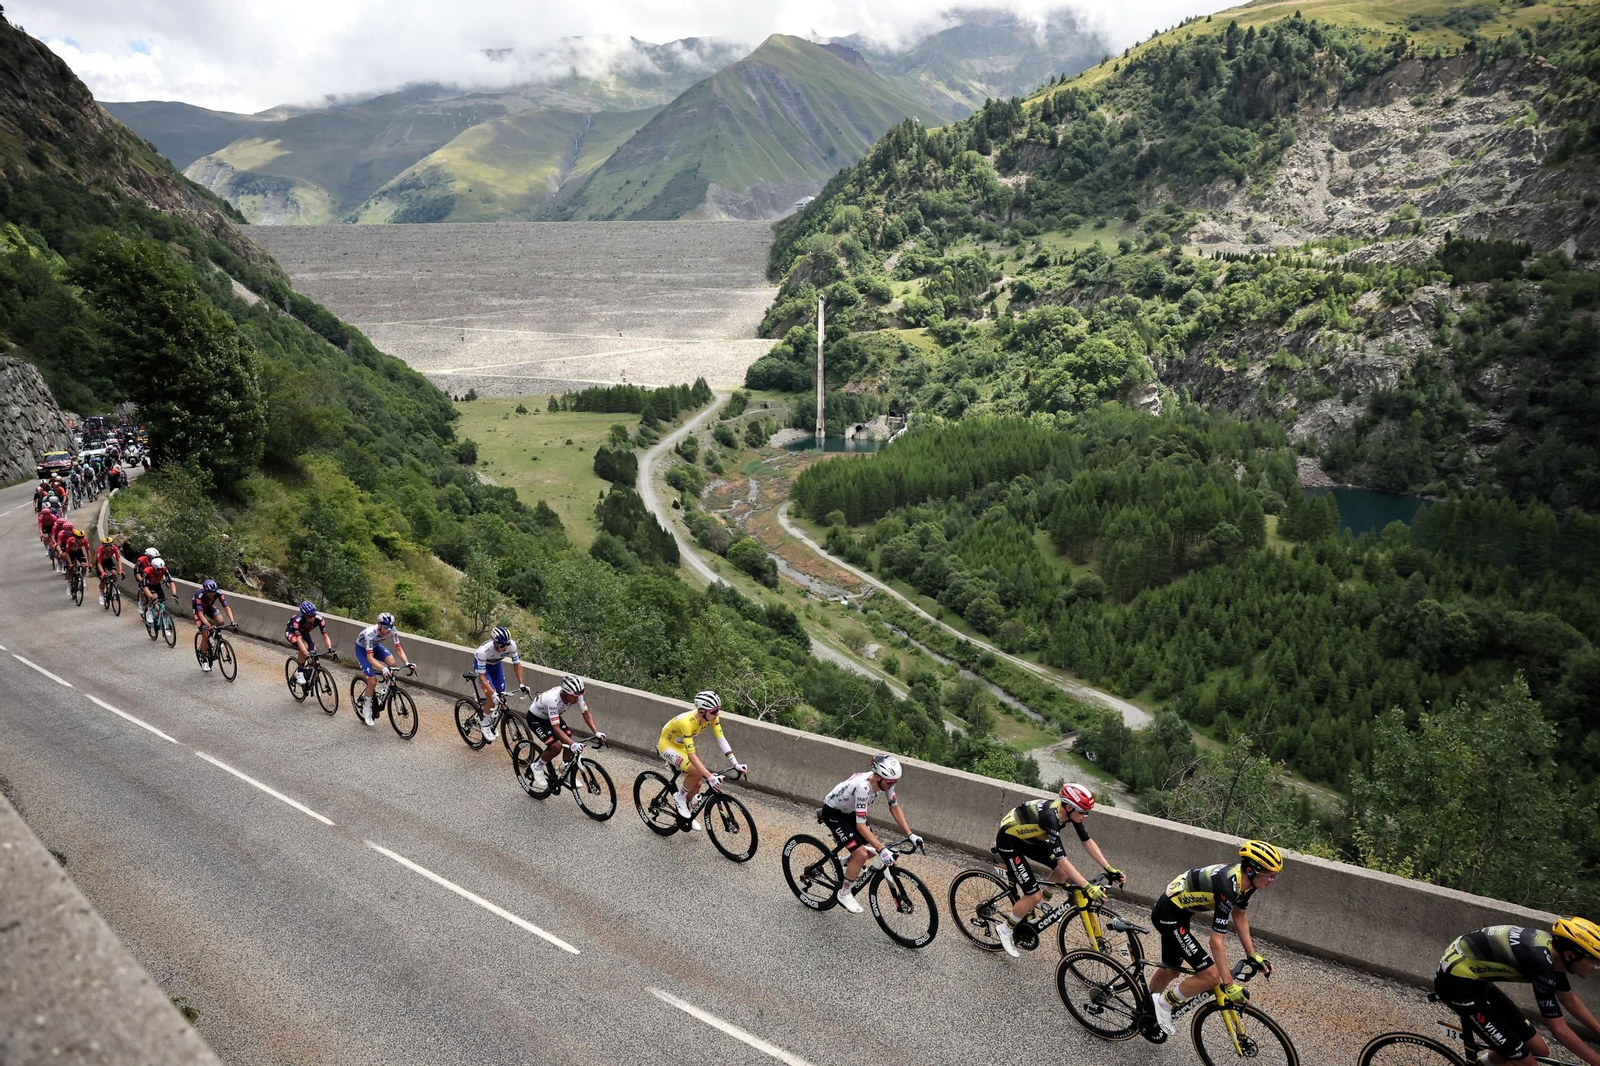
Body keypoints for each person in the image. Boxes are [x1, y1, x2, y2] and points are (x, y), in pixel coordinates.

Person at [1148, 840, 1283, 1035]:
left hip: (1179, 913)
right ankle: (1163, 1004)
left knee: (1171, 970)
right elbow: (1216, 941)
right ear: (1252, 870)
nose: (1273, 879)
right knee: (1211, 976)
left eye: (1275, 875)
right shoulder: (1227, 887)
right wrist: (1228, 985)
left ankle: (1147, 1005)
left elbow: (1239, 914)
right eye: (1270, 874)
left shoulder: (1246, 882)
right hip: (1168, 915)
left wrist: (1252, 954)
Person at [1435, 919, 1600, 1066]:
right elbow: (1559, 1030)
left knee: (1539, 1050)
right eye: (1594, 961)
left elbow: (1569, 1000)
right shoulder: (1540, 962)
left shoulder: (1553, 954)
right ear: (1570, 955)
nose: (1597, 967)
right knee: (1527, 1063)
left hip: (1473, 977)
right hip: (1456, 984)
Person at [990, 783, 1127, 958]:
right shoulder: (1051, 818)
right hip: (1009, 840)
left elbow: (1087, 841)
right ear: (1069, 807)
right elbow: (1063, 860)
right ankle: (1005, 930)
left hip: (1031, 837)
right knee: (1033, 895)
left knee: (1062, 874)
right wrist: (1087, 887)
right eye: (1083, 812)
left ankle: (1042, 901)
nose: (1085, 816)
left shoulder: (1070, 814)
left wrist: (1109, 868)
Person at [819, 753, 922, 914]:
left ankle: (844, 862)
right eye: (890, 782)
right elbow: (861, 826)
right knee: (861, 855)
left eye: (895, 782)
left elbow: (894, 806)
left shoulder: (885, 782)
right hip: (834, 813)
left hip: (850, 811)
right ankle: (844, 893)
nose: (892, 785)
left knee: (870, 850)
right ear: (878, 777)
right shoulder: (863, 788)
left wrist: (910, 834)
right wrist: (882, 849)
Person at [656, 690, 747, 830]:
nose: (717, 714)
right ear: (702, 711)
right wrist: (710, 777)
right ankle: (680, 798)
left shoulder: (712, 717)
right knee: (697, 772)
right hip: (667, 746)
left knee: (697, 785)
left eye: (718, 710)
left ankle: (688, 815)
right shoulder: (687, 723)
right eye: (714, 711)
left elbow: (721, 739)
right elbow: (692, 756)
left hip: (681, 747)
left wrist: (735, 763)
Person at [522, 675, 606, 788]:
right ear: (566, 694)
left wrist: (596, 732)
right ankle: (537, 767)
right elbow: (556, 728)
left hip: (551, 717)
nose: (578, 699)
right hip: (537, 719)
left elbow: (586, 713)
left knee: (568, 736)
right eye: (575, 696)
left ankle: (565, 769)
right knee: (556, 746)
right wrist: (572, 744)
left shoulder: (576, 694)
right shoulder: (553, 699)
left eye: (579, 695)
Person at [353, 613, 413, 727]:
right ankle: (366, 709)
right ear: (379, 625)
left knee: (393, 663)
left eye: (390, 627)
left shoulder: (392, 630)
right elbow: (370, 658)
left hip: (375, 647)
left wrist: (407, 662)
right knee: (372, 681)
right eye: (385, 627)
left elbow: (399, 649)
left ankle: (385, 688)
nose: (388, 630)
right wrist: (383, 668)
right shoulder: (371, 633)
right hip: (362, 649)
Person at [471, 626, 529, 743]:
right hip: (483, 668)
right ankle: (485, 724)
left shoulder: (511, 645)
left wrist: (521, 684)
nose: (505, 648)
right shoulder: (484, 651)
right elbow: (482, 677)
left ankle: (489, 708)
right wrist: (492, 694)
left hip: (496, 666)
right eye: (502, 646)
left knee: (501, 695)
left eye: (507, 644)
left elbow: (517, 664)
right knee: (492, 698)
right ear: (495, 643)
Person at [191, 580, 236, 672]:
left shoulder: (218, 593)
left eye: (214, 592)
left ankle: (217, 638)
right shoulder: (199, 595)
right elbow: (200, 615)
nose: (213, 595)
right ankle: (204, 659)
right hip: (199, 611)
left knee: (221, 621)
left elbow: (226, 607)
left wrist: (232, 621)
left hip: (209, 607)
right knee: (205, 634)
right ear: (205, 591)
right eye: (210, 593)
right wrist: (208, 625)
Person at [285, 601, 332, 687]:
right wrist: (306, 654)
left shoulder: (319, 619)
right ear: (304, 615)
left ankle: (311, 677)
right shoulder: (298, 620)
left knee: (314, 651)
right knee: (305, 648)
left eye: (314, 615)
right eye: (310, 616)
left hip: (304, 633)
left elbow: (325, 636)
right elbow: (299, 640)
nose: (312, 618)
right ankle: (300, 673)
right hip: (292, 633)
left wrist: (330, 648)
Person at [141, 554, 176, 624]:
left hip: (157, 584)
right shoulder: (147, 571)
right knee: (154, 597)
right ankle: (149, 611)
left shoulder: (164, 569)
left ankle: (163, 620)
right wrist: (151, 597)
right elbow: (145, 587)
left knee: (163, 601)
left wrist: (174, 594)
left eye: (161, 570)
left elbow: (171, 582)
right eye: (158, 570)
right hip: (148, 585)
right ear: (153, 568)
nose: (160, 571)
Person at [60, 526, 90, 596]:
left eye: (83, 537)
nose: (81, 539)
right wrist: (70, 563)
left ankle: (83, 578)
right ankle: (69, 585)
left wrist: (90, 563)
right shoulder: (70, 540)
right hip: (70, 553)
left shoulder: (85, 541)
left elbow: (88, 552)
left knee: (84, 566)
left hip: (79, 552)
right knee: (70, 570)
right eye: (79, 538)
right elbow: (67, 553)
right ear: (75, 537)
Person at [95, 535, 123, 606]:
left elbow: (118, 559)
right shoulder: (100, 550)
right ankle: (101, 594)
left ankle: (114, 587)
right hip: (101, 563)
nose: (108, 547)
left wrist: (120, 569)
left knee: (114, 572)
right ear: (103, 545)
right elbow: (98, 563)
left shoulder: (115, 548)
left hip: (108, 561)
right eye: (106, 545)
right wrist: (103, 572)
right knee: (103, 579)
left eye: (110, 545)